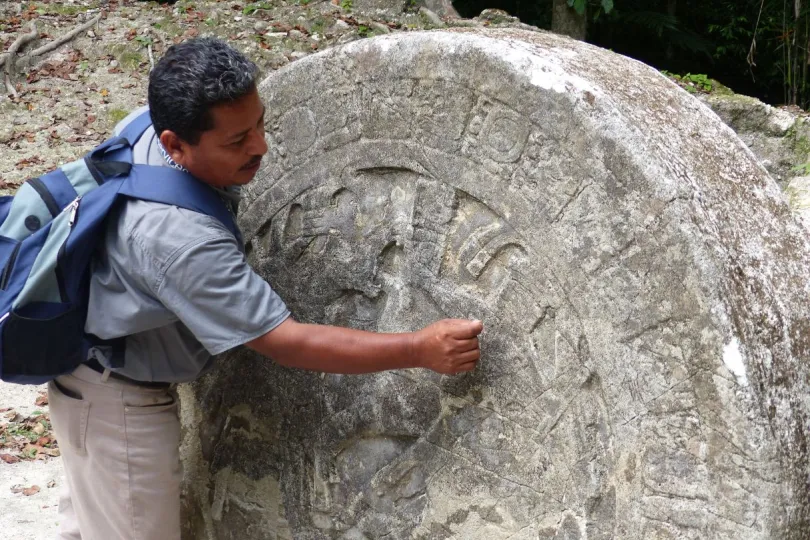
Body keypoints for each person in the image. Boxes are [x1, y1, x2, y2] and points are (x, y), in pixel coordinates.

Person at [47, 37, 483, 540]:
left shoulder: (142, 129)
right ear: (175, 144)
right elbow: (284, 341)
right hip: (116, 404)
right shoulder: (180, 241)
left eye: (259, 124)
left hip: (93, 375)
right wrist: (417, 347)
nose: (260, 146)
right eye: (236, 142)